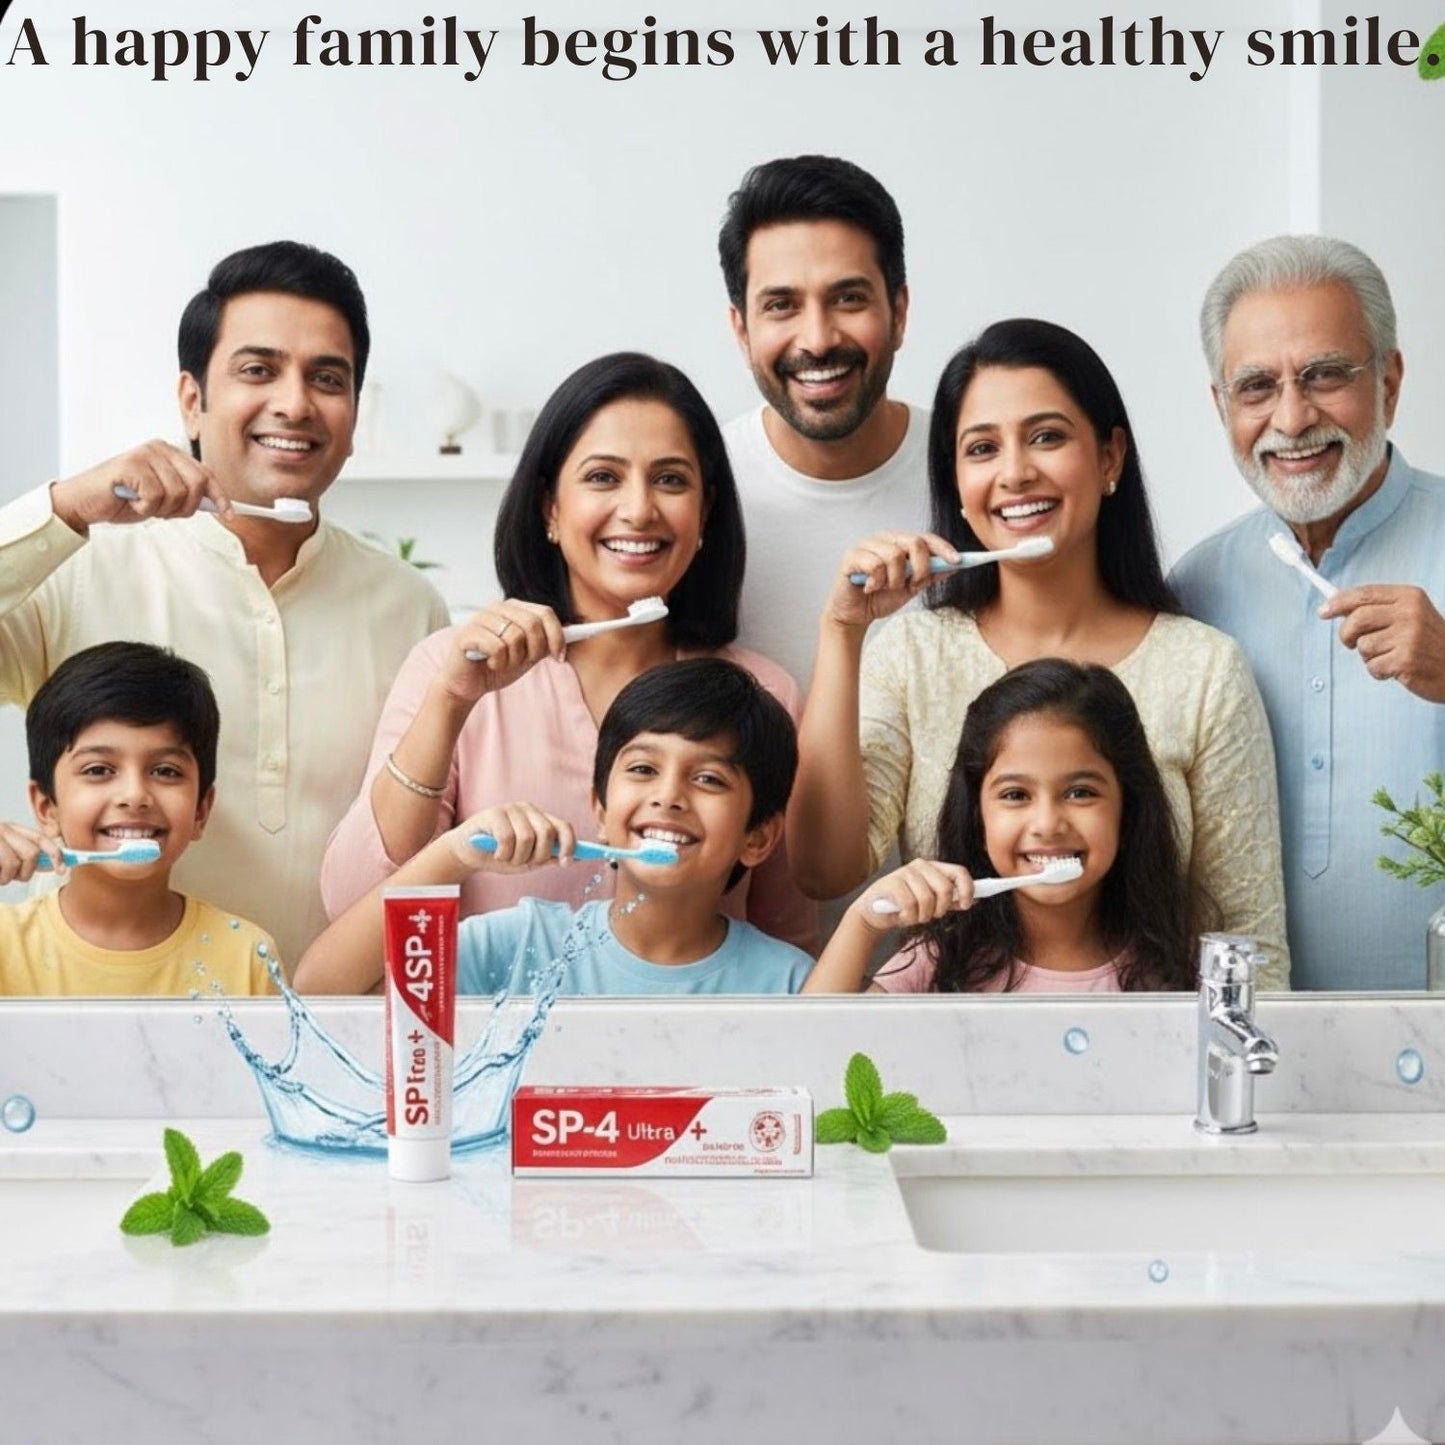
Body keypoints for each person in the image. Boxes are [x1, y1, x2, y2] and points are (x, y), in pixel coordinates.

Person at [788, 317, 1290, 987]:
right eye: (981, 448)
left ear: (1109, 457)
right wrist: (841, 630)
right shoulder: (912, 653)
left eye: (1046, 437)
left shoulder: (1204, 671)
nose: (1015, 473)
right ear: (956, 481)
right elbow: (824, 871)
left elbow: (1250, 944)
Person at [0, 242, 448, 969]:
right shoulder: (77, 566)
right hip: (104, 1019)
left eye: (327, 378)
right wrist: (69, 503)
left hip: (336, 1041)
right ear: (191, 400)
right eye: (258, 370)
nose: (295, 402)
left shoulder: (409, 607)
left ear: (354, 414)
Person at [320, 353, 817, 954]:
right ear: (549, 508)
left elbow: (783, 940)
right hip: (492, 1045)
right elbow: (352, 905)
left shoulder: (764, 694)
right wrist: (452, 701)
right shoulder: (450, 670)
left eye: (670, 479)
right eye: (604, 477)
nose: (639, 509)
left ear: (705, 512)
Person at [1171, 235, 1445, 990]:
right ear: (1220, 405)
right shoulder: (1192, 589)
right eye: (1256, 387)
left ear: (1389, 379)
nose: (1291, 418)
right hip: (1257, 1057)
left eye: (1324, 375)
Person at [298, 659, 812, 995]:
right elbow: (321, 988)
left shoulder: (789, 984)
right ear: (601, 811)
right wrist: (454, 855)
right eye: (642, 769)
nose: (667, 795)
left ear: (759, 837)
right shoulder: (519, 948)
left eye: (708, 778)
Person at [804, 660, 1198, 994]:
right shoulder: (941, 961)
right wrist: (863, 923)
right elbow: (813, 1059)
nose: (1047, 824)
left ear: (1128, 805)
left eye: (1080, 792)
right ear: (978, 815)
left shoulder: (1172, 969)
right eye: (1015, 795)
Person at [718, 155, 928, 689]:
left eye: (848, 298)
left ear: (899, 312)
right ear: (741, 331)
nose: (818, 339)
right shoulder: (694, 492)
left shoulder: (978, 476)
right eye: (782, 305)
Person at [0, 643, 276, 996]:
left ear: (201, 811)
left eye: (165, 771)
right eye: (98, 770)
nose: (134, 795)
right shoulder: (7, 947)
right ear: (46, 808)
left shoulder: (246, 957)